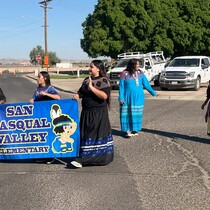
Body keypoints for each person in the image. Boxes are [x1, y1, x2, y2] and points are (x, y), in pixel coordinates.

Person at [71, 59, 114, 168]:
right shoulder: (86, 79)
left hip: (98, 113)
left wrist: (92, 87)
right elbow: (81, 92)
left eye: (92, 67)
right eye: (89, 67)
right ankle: (85, 155)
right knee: (86, 133)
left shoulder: (104, 80)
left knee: (94, 133)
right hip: (86, 112)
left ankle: (86, 159)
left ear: (98, 68)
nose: (90, 69)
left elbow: (104, 96)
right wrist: (77, 96)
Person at [118, 58, 159, 138]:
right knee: (127, 113)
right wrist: (121, 97)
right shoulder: (124, 73)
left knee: (137, 113)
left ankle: (134, 129)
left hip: (138, 97)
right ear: (132, 65)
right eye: (136, 64)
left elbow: (146, 84)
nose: (138, 65)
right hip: (127, 97)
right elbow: (121, 87)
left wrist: (153, 93)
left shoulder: (140, 73)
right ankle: (127, 130)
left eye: (138, 64)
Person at [29, 71, 60, 163]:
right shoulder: (37, 90)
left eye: (39, 77)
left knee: (49, 135)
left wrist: (46, 94)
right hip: (39, 116)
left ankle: (50, 156)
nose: (37, 78)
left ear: (45, 78)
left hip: (48, 116)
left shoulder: (50, 88)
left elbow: (58, 97)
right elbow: (34, 98)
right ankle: (42, 154)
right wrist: (32, 100)